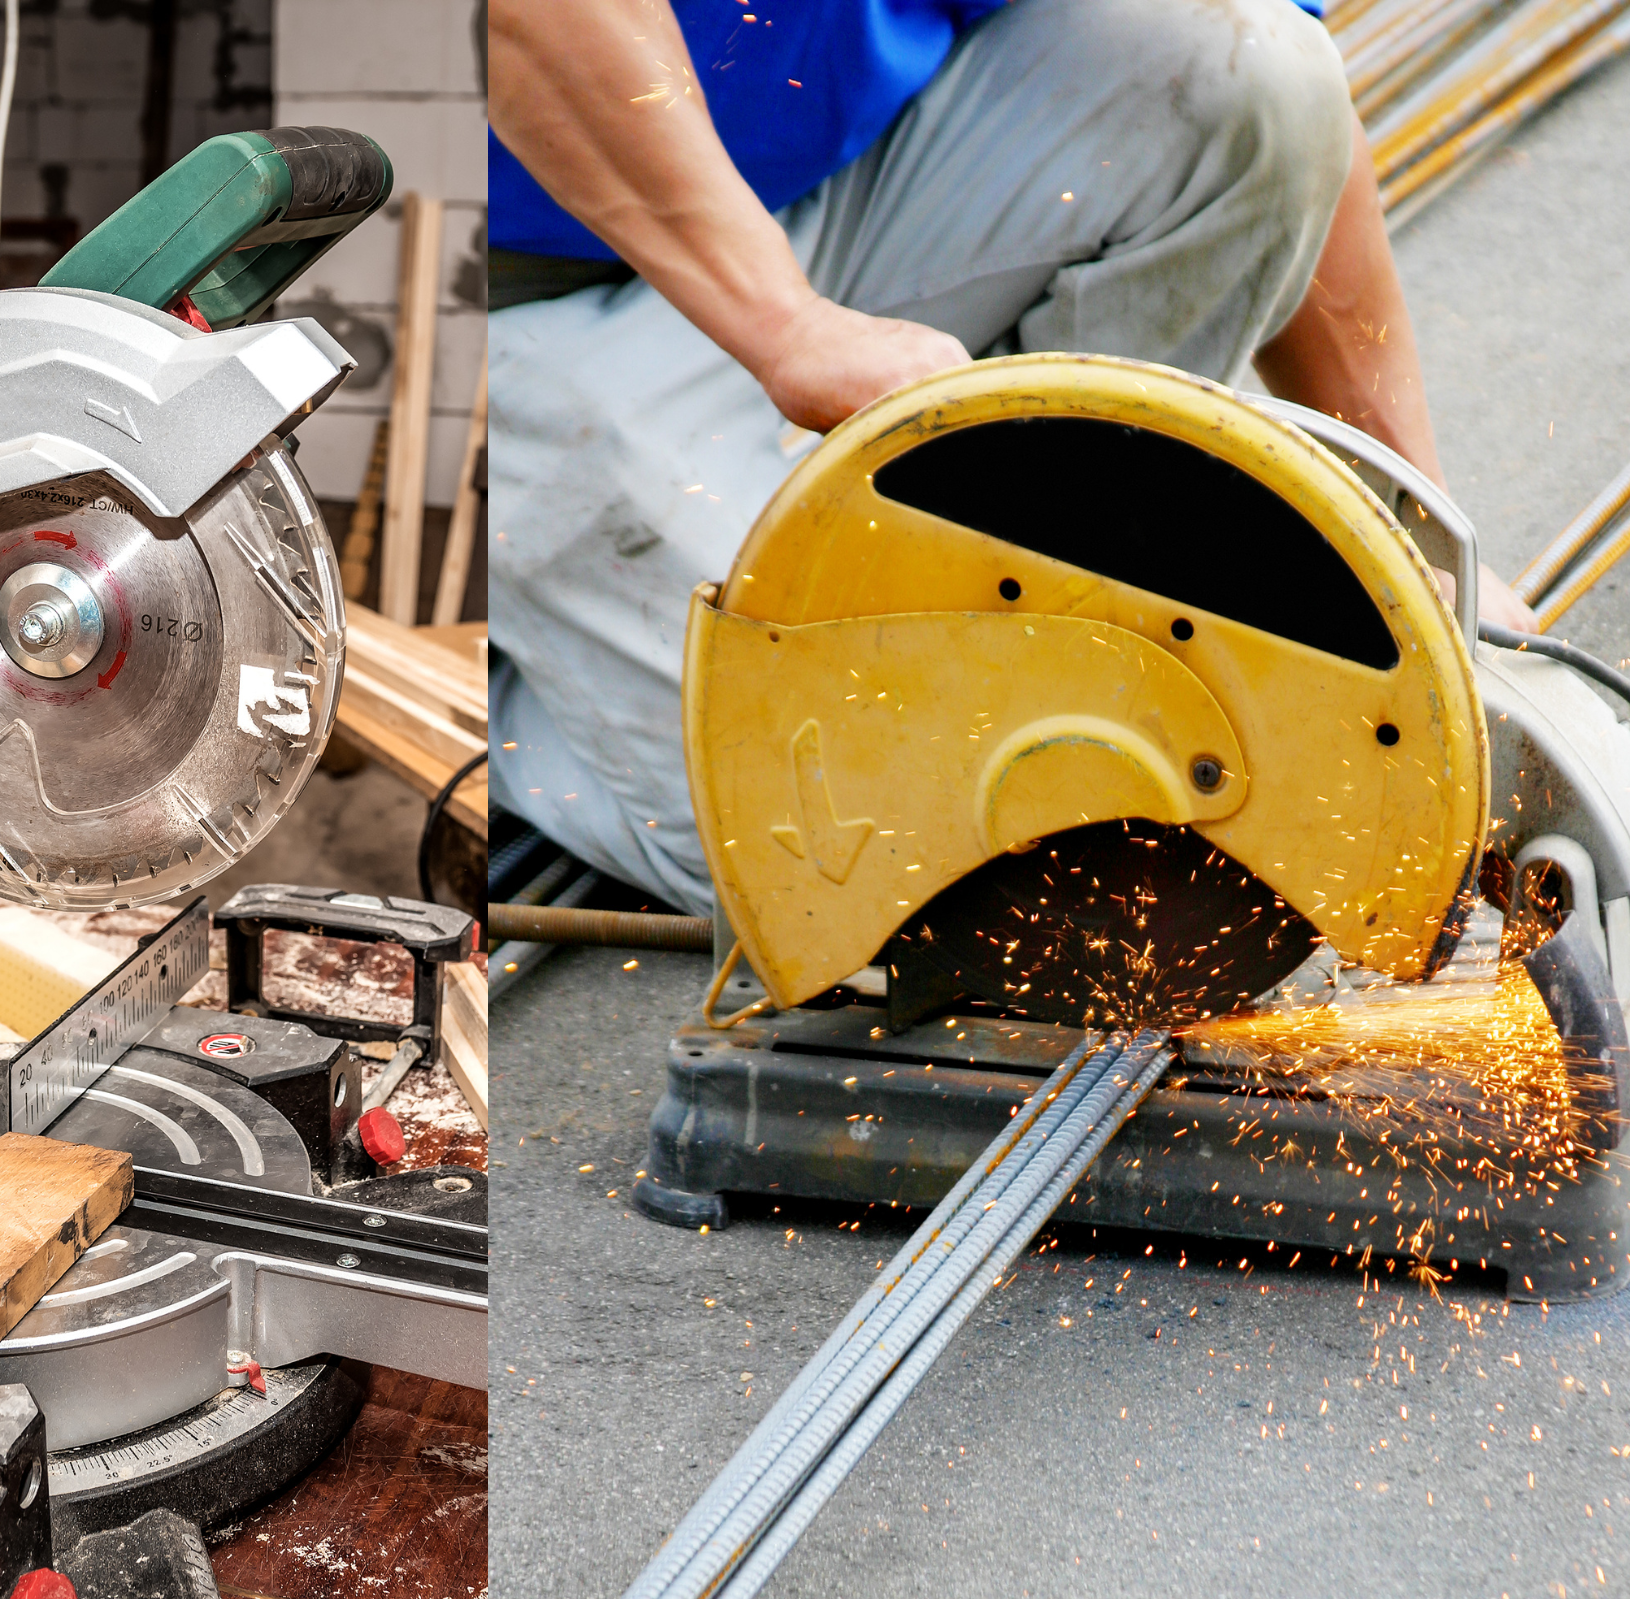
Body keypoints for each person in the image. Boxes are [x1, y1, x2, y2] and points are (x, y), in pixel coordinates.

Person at [484, 0, 1538, 918]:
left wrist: (1413, 536)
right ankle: (512, 687)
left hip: (843, 179)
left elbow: (1276, 94)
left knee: (1244, 63)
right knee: (854, 858)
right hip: (529, 286)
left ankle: (1031, 618)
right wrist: (786, 326)